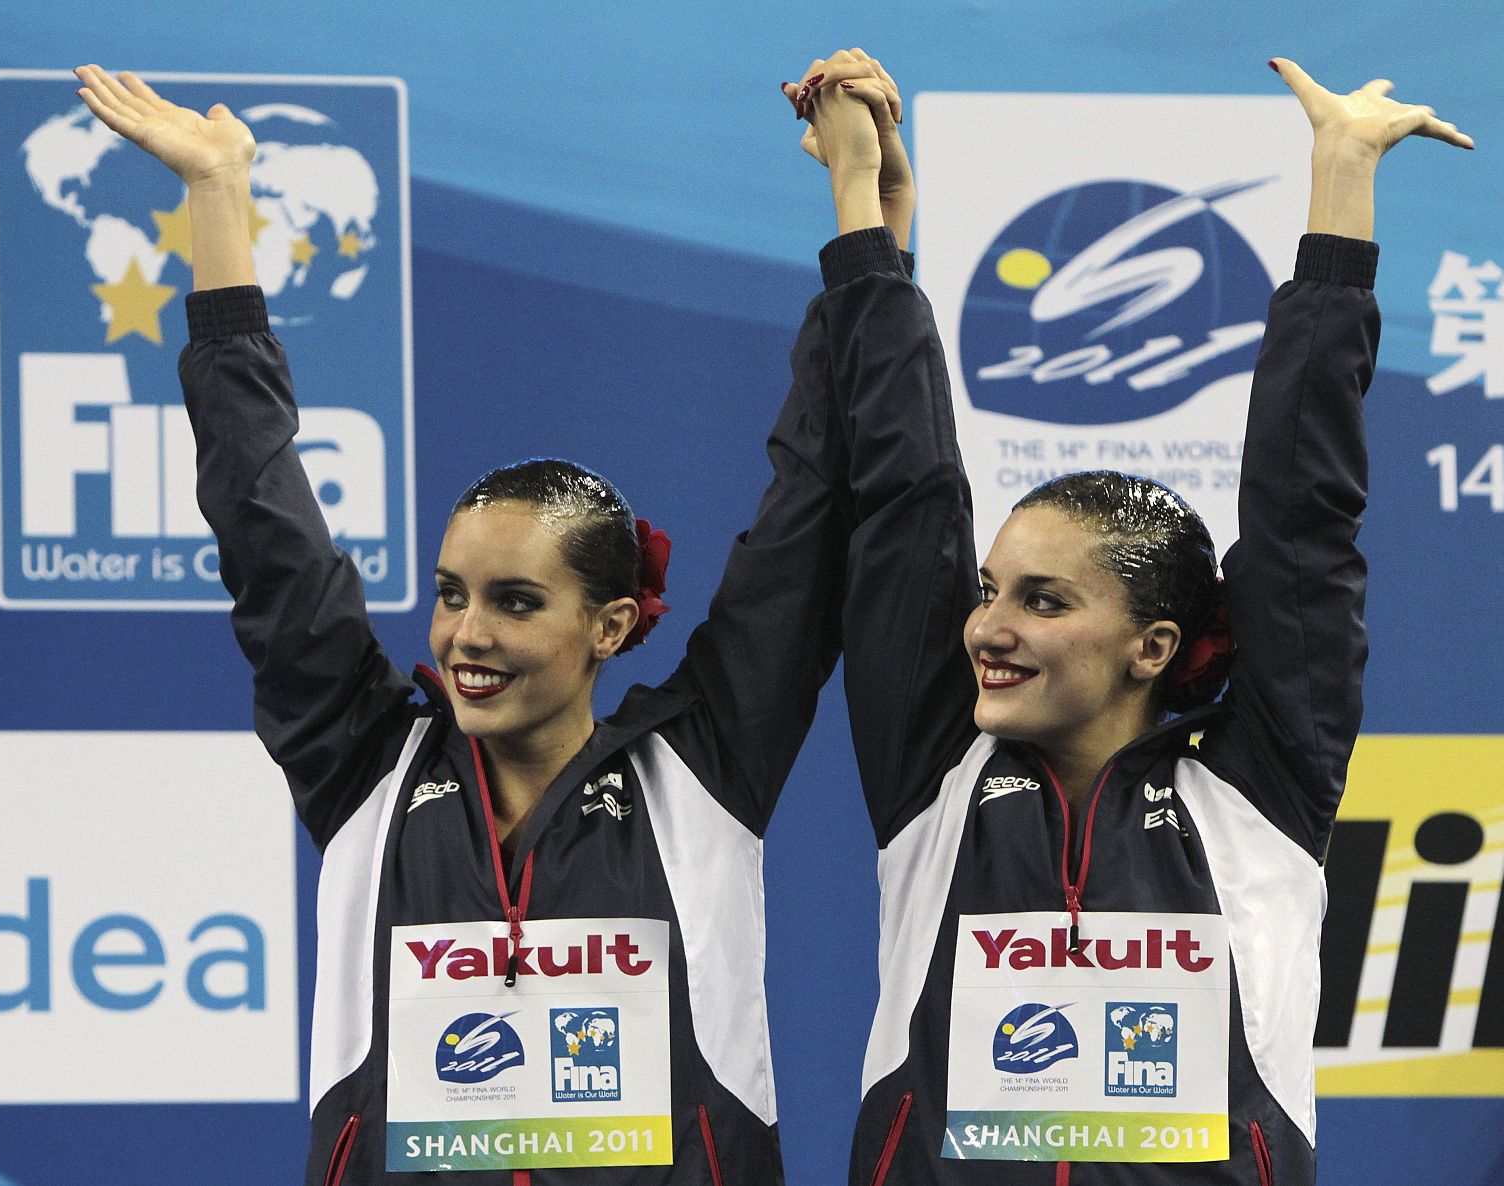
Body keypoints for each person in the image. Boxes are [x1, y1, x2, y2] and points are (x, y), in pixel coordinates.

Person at [73, 61, 904, 1186]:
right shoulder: (362, 759)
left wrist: (868, 219)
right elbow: (260, 508)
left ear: (611, 624)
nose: (467, 634)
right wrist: (218, 197)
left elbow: (815, 490)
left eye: (516, 602)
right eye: (453, 592)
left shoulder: (702, 763)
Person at [783, 54, 1472, 1185]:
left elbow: (1304, 516)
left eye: (1044, 600)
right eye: (991, 589)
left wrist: (1339, 187)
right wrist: (865, 210)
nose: (987, 626)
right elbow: (906, 492)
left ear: (1152, 646)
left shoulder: (1261, 787)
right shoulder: (935, 766)